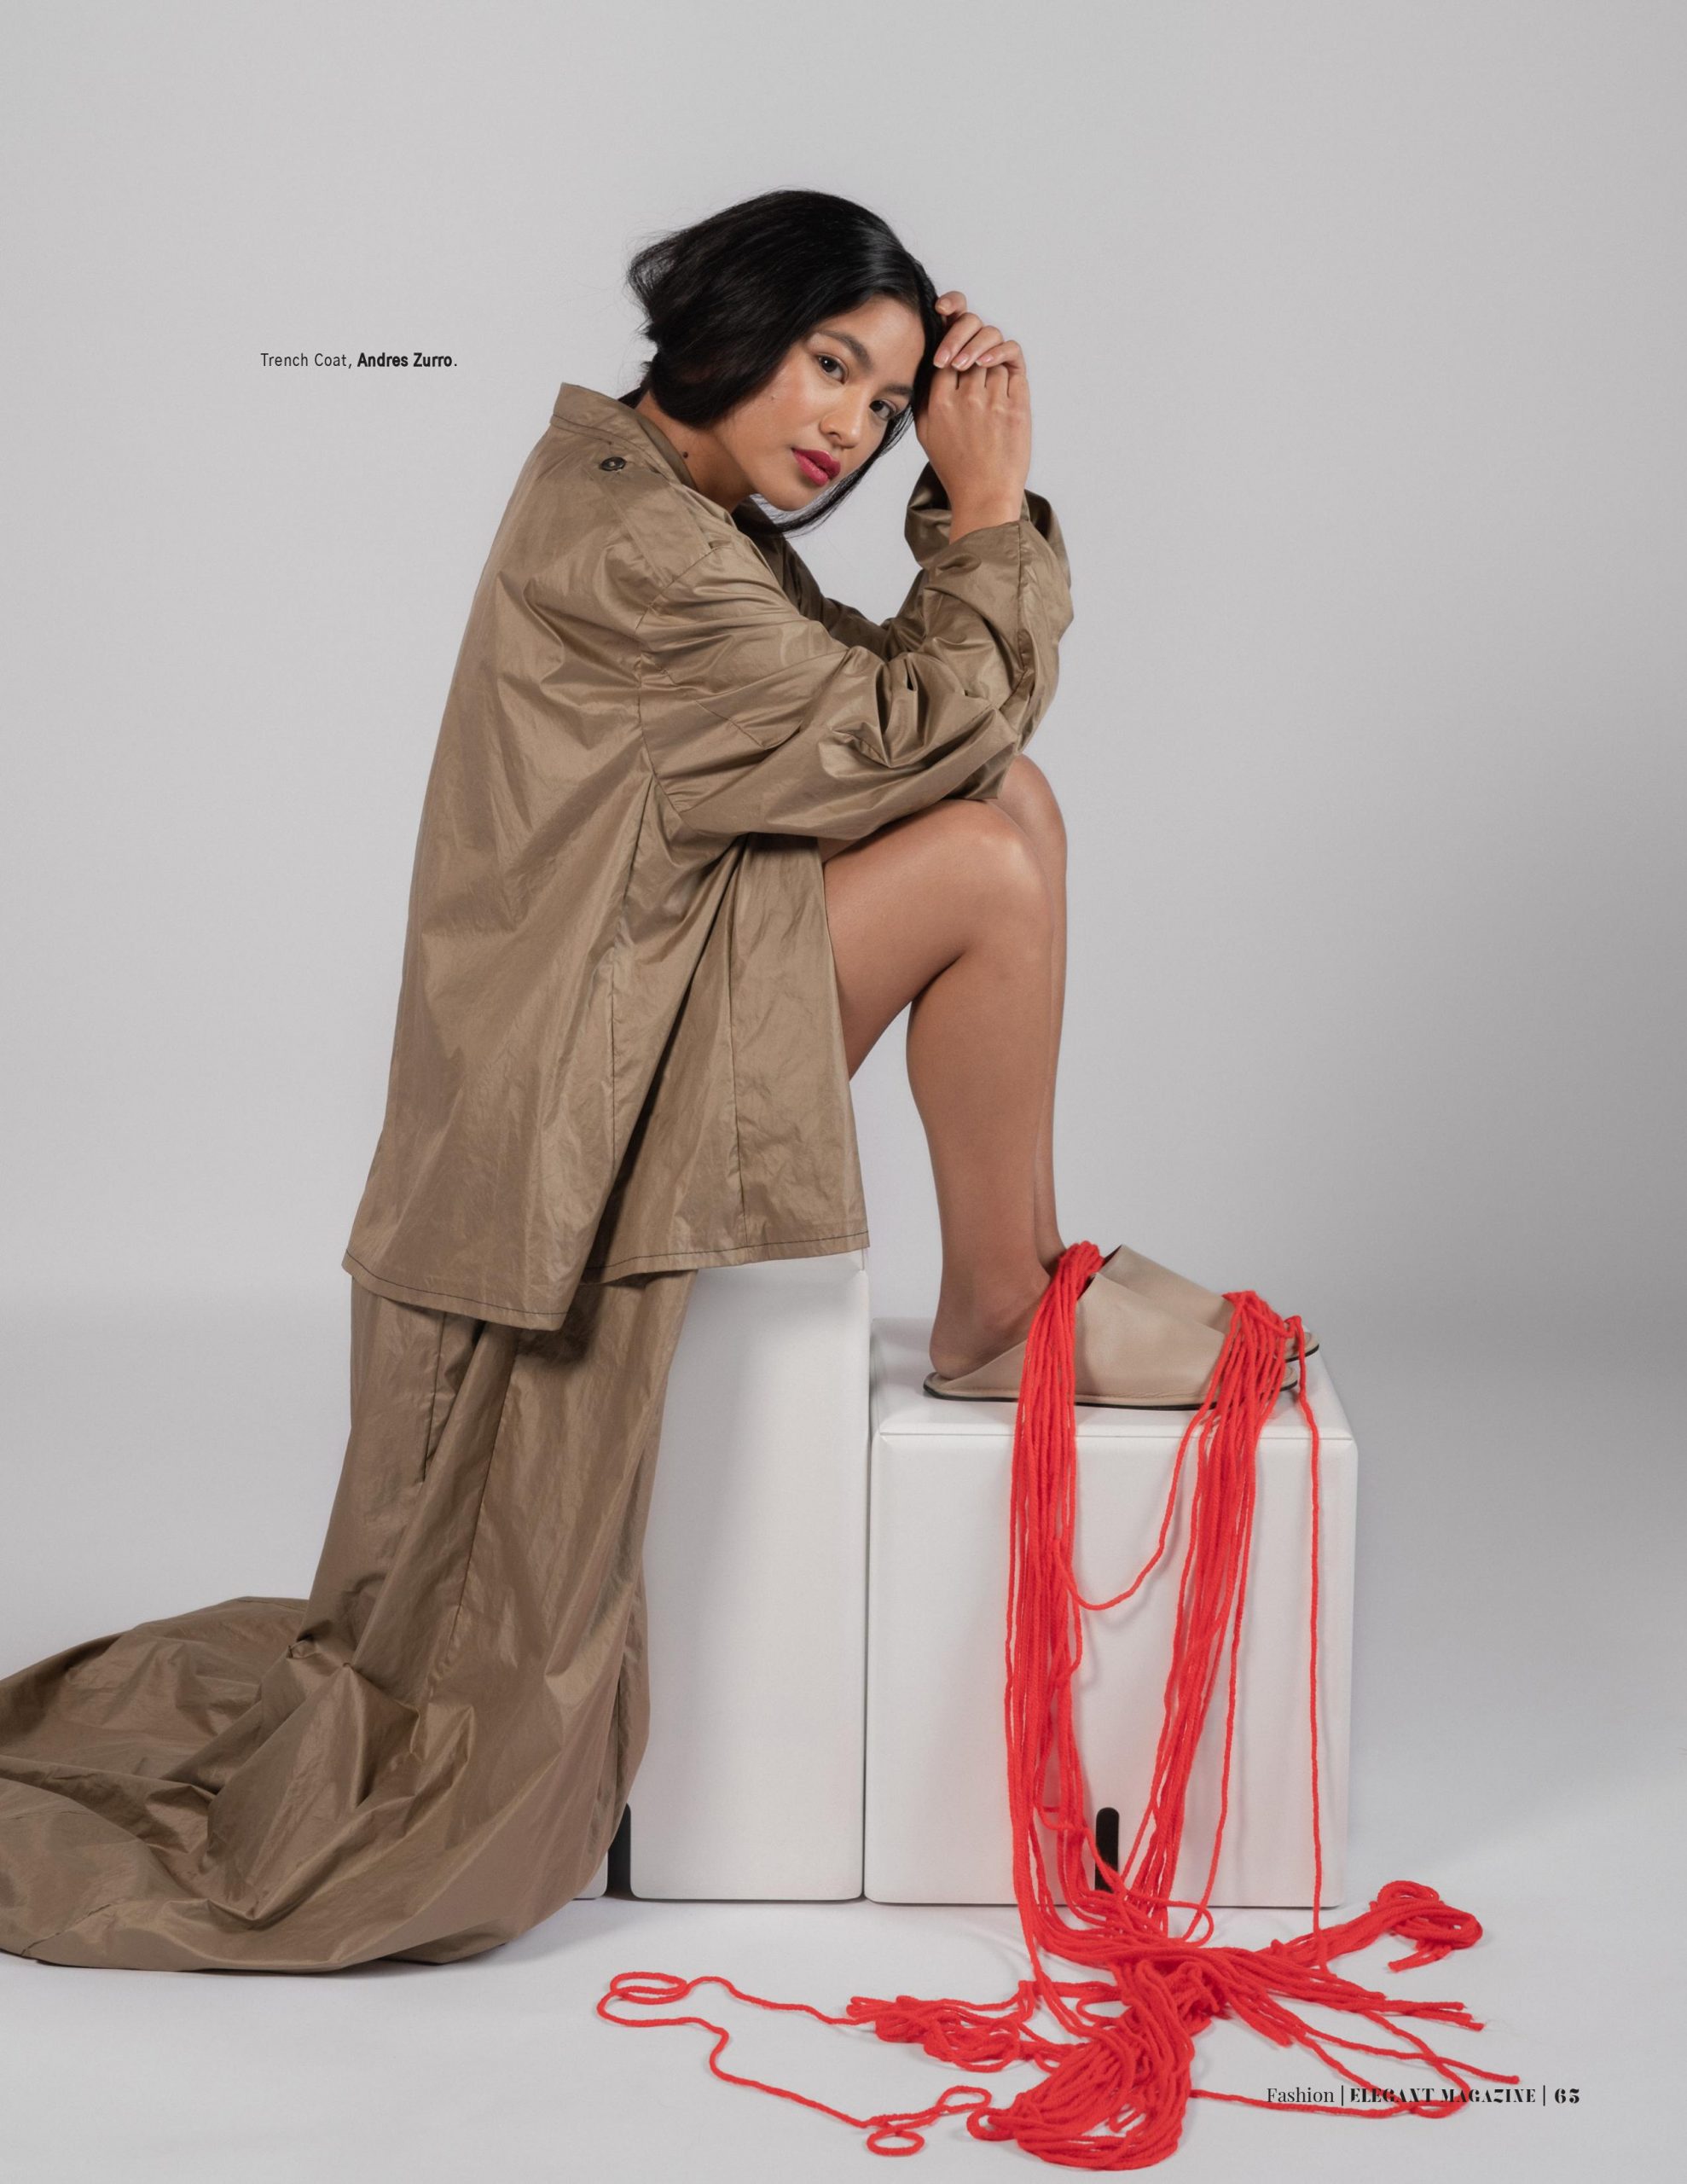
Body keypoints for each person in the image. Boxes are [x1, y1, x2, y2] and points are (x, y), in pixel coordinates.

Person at [0, 188, 1298, 1973]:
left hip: (634, 995)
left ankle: (1012, 1287)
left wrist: (963, 511)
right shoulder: (642, 549)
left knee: (1004, 805)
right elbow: (909, 728)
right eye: (827, 364)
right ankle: (1001, 1306)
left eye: (885, 403)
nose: (847, 429)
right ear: (733, 320)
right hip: (576, 1092)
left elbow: (906, 714)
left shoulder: (662, 501)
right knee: (991, 844)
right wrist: (988, 514)